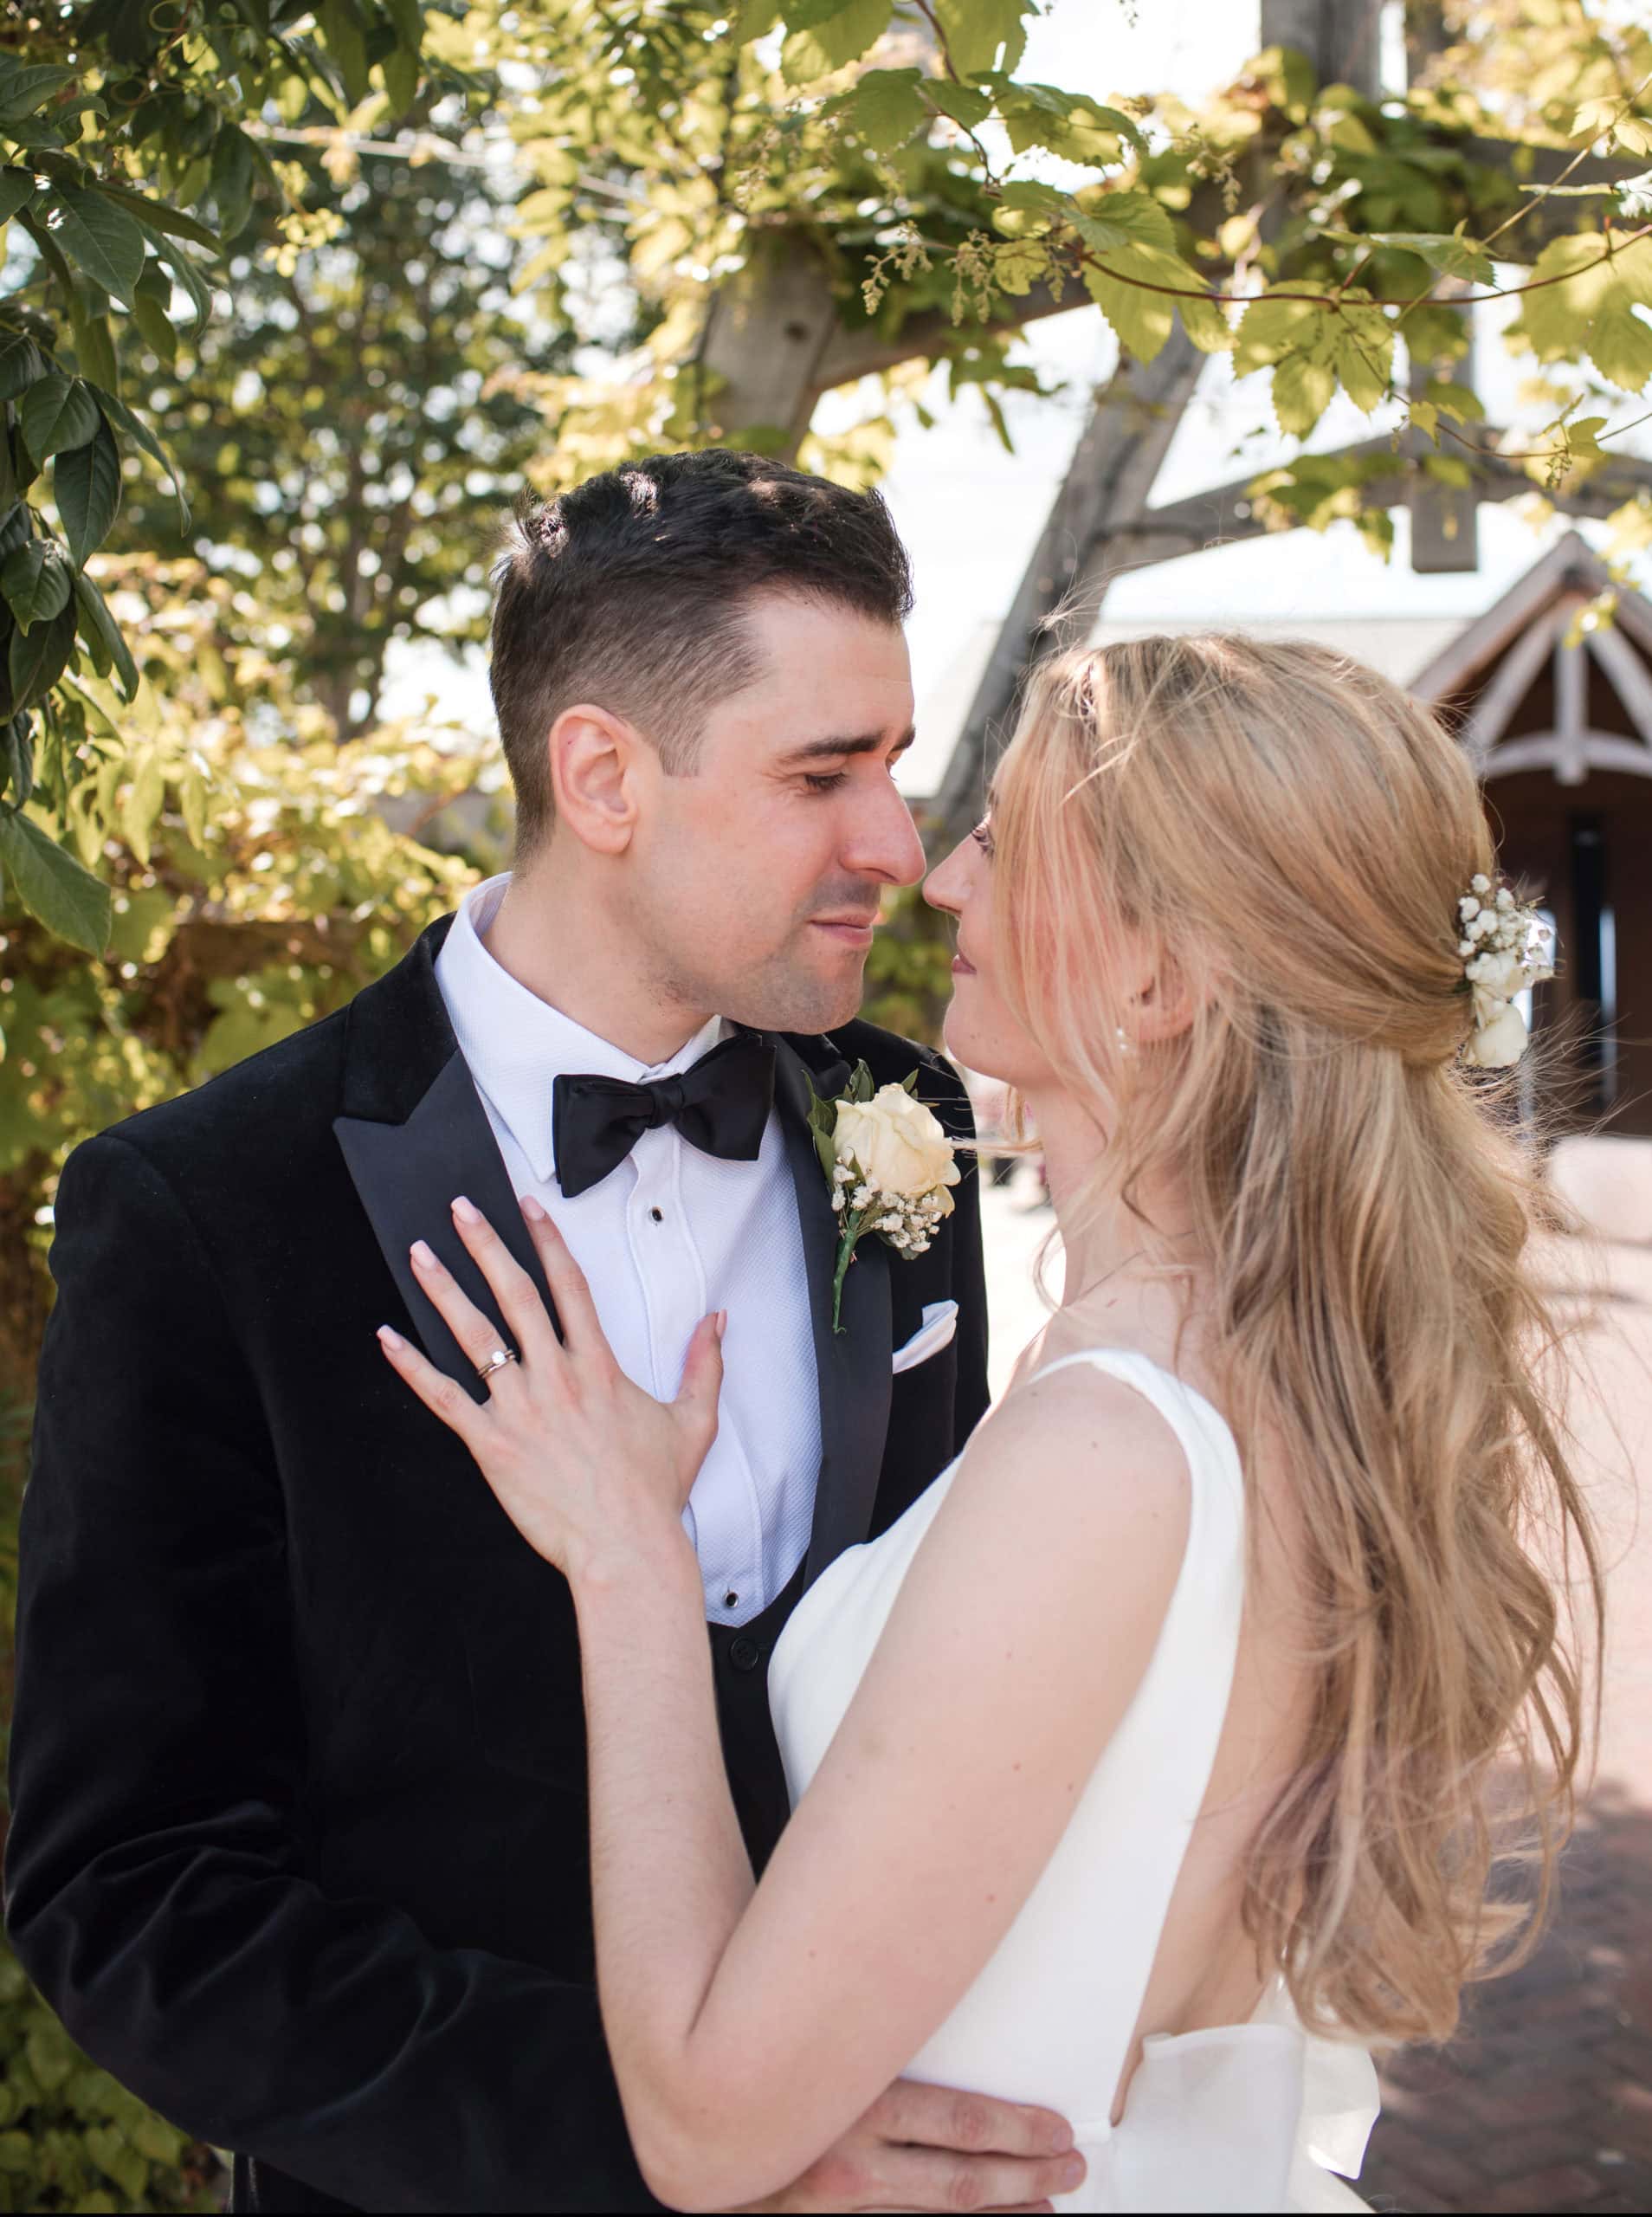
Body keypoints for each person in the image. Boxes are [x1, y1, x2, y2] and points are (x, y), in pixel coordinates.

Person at [378, 632, 1604, 2214]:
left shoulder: (1108, 1451)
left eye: (1013, 838)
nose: (942, 875)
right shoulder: (1282, 1374)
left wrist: (628, 1563)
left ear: (1159, 978)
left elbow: (702, 2126)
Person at [4, 452, 1086, 2214]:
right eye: (824, 773)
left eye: (890, 763)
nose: (895, 840)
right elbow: (131, 1894)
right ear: (601, 776)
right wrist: (689, 2138)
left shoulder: (909, 1129)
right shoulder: (211, 1209)